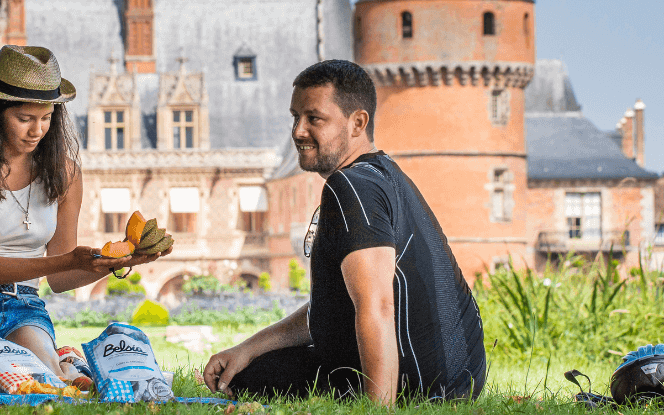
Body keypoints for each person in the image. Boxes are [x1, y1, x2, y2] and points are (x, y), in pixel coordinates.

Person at [200, 60, 487, 404]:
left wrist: (378, 410)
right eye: (296, 117)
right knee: (250, 363)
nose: (298, 131)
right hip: (460, 384)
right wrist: (248, 347)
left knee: (252, 378)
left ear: (357, 123)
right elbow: (333, 309)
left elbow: (377, 306)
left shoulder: (349, 186)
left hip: (417, 389)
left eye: (314, 118)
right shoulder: (385, 176)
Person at [0, 45, 167, 378]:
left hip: (24, 305)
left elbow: (62, 279)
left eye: (46, 118)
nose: (37, 130)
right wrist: (70, 259)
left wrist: (121, 262)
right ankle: (67, 362)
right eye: (24, 119)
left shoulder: (65, 173)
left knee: (43, 380)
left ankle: (61, 363)